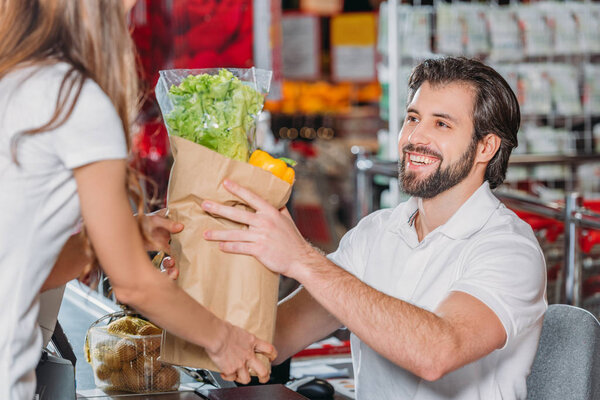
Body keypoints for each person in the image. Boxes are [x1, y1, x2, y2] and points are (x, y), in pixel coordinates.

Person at [198, 57, 547, 398]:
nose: (415, 137)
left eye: (441, 124)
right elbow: (269, 341)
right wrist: (197, 287)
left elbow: (437, 353)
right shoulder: (377, 232)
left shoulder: (509, 248)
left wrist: (301, 258)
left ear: (486, 146)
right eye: (412, 118)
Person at [0, 1, 275, 398]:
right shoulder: (74, 99)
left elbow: (26, 263)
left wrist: (123, 234)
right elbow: (134, 286)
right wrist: (223, 340)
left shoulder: (16, 81)